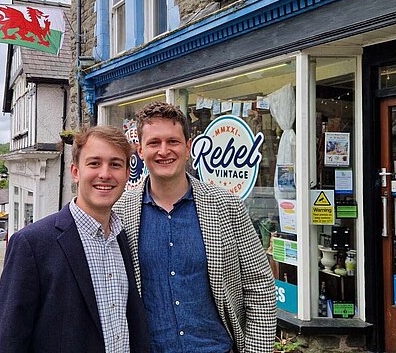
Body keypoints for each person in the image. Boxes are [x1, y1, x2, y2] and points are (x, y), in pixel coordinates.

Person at [113, 102, 276, 353]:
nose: (164, 151)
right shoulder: (120, 213)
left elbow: (259, 286)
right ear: (141, 150)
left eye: (173, 142)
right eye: (154, 143)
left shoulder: (227, 206)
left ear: (188, 147)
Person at [0, 126, 150, 353]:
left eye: (115, 164)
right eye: (94, 163)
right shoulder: (32, 245)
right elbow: (7, 342)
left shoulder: (122, 237)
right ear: (75, 171)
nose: (105, 174)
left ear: (126, 174)